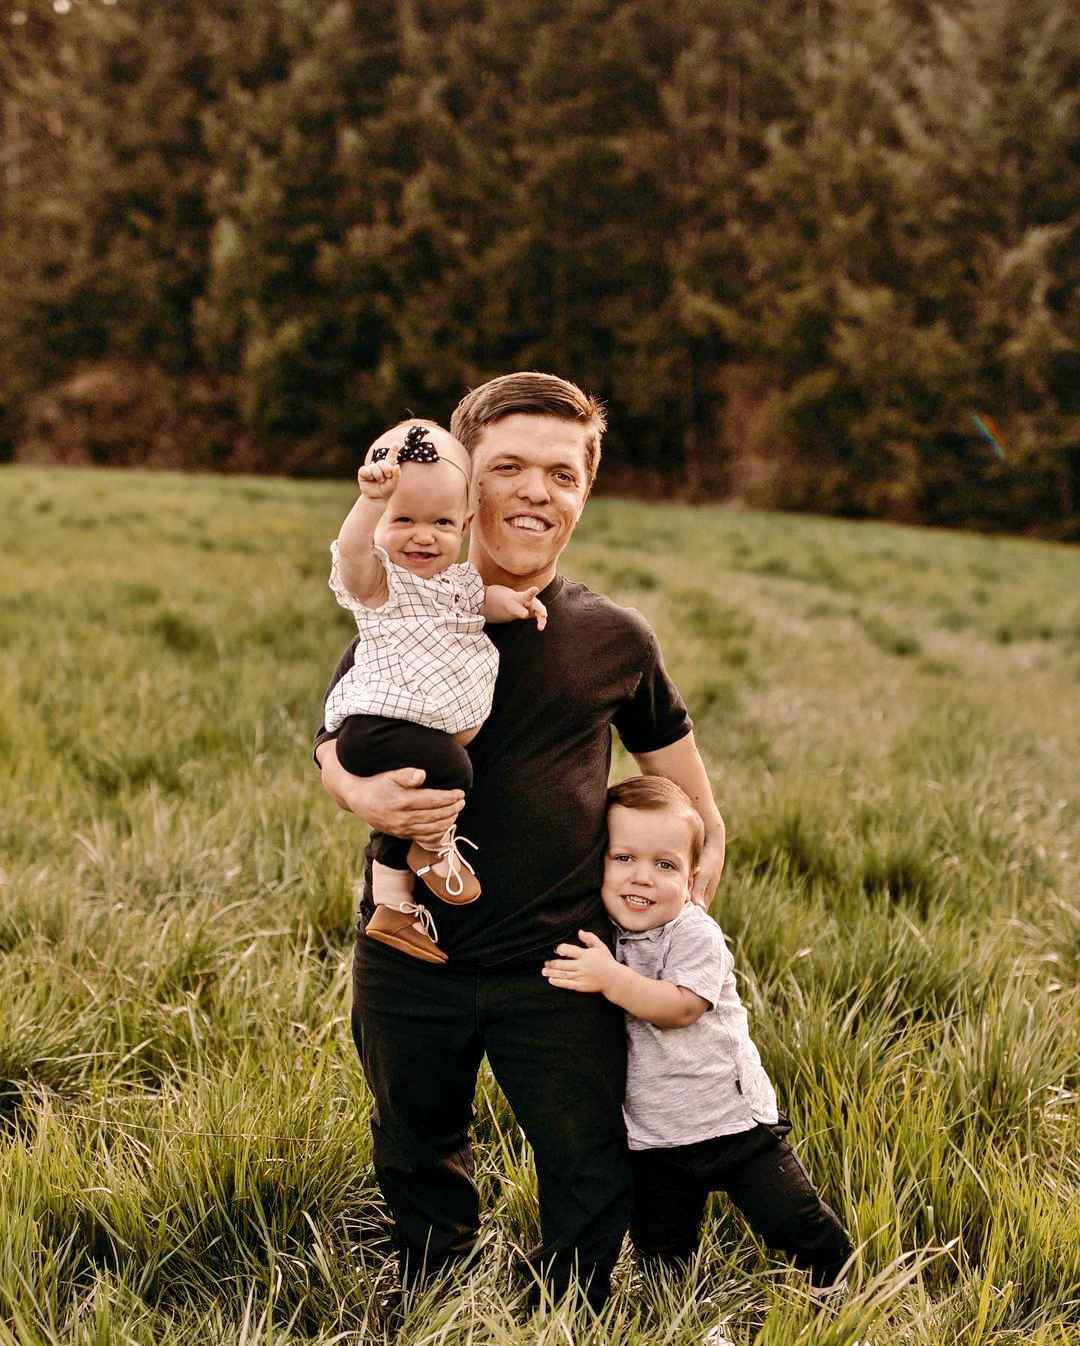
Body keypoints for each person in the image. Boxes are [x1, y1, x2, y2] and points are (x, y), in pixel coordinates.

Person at [314, 371, 726, 1309]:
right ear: (463, 484)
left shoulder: (613, 637)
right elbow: (336, 737)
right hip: (413, 948)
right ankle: (429, 1294)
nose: (537, 492)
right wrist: (357, 793)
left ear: (585, 491)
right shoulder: (404, 608)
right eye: (509, 468)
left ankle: (571, 1308)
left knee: (583, 1153)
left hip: (560, 957)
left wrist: (701, 846)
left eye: (562, 474)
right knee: (415, 1135)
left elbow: (678, 770)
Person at [542, 775, 853, 1296]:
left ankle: (837, 1281)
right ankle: (676, 1311)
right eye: (623, 859)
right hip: (653, 1136)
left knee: (789, 1219)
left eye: (665, 865)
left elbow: (680, 1007)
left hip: (732, 1123)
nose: (642, 878)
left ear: (691, 880)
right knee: (662, 1247)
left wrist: (611, 979)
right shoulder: (603, 934)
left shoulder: (694, 933)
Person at [325, 417, 547, 964]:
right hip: (375, 730)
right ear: (380, 524)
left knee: (412, 797)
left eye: (442, 523)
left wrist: (512, 604)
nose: (424, 536)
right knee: (453, 772)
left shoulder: (458, 584)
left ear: (466, 523)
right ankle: (433, 852)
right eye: (402, 520)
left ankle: (394, 907)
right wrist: (368, 504)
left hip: (403, 741)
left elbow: (480, 604)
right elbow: (352, 555)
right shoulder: (382, 584)